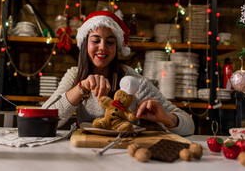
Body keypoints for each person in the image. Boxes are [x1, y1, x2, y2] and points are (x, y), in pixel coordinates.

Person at [42, 11, 195, 136]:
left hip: (124, 149)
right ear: (85, 44)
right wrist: (81, 87)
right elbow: (44, 119)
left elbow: (189, 125)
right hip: (85, 150)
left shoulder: (133, 81)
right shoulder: (74, 76)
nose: (102, 47)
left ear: (116, 47)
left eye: (110, 42)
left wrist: (167, 118)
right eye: (96, 41)